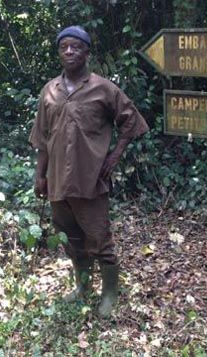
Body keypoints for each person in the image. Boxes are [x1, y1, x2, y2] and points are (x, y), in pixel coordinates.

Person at [29, 25, 149, 317]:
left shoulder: (103, 88)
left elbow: (131, 121)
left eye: (76, 47)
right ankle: (83, 288)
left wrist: (115, 156)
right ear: (59, 52)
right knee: (71, 237)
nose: (69, 51)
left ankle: (110, 294)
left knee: (99, 237)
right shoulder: (50, 90)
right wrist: (39, 174)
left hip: (90, 179)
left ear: (87, 52)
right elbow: (43, 137)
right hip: (57, 180)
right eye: (64, 47)